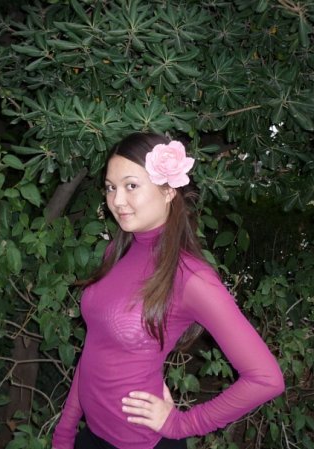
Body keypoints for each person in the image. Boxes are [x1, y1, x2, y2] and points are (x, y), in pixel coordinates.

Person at [52, 132, 285, 449]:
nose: (116, 201)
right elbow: (96, 346)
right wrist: (65, 430)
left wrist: (183, 424)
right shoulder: (116, 252)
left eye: (131, 186)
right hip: (91, 436)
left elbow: (266, 378)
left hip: (140, 443)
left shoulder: (191, 278)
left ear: (167, 191)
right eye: (110, 187)